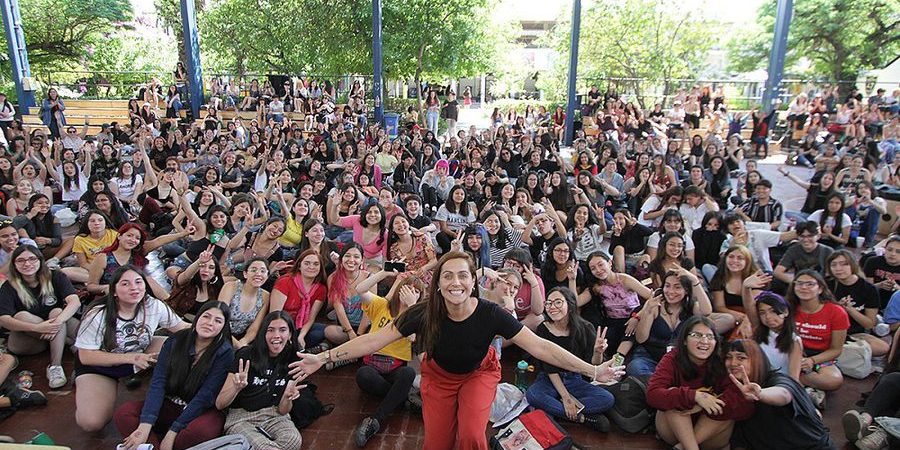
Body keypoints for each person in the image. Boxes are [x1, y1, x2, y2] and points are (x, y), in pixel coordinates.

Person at [288, 252, 625, 450]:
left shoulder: (491, 314)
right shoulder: (422, 312)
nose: (455, 283)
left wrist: (592, 370)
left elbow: (539, 345)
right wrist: (324, 357)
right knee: (436, 443)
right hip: (439, 378)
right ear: (438, 283)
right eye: (447, 276)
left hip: (479, 374)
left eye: (463, 276)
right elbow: (373, 341)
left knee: (470, 436)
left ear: (473, 281)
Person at [74, 265, 189, 432]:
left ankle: (172, 397)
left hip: (141, 350)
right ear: (113, 290)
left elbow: (182, 328)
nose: (134, 288)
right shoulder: (98, 314)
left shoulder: (153, 305)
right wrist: (131, 358)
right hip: (100, 364)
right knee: (92, 423)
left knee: (180, 345)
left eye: (138, 282)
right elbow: (86, 356)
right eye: (125, 284)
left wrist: (213, 328)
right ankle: (84, 389)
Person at [115, 301, 234, 450]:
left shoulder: (225, 352)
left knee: (200, 433)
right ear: (197, 318)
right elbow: (158, 382)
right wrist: (145, 425)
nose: (210, 323)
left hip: (200, 410)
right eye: (206, 316)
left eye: (218, 321)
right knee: (124, 414)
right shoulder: (176, 340)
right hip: (172, 403)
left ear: (224, 327)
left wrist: (173, 431)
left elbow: (206, 396)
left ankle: (158, 442)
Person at [646, 316, 754, 450]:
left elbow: (743, 405)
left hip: (710, 435)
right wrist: (695, 397)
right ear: (685, 340)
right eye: (696, 335)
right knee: (674, 397)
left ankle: (684, 447)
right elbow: (653, 394)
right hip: (675, 430)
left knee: (727, 405)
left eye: (710, 337)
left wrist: (703, 405)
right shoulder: (673, 358)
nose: (704, 341)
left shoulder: (723, 360)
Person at [351, 271, 425, 446]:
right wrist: (384, 273)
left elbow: (413, 338)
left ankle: (376, 420)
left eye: (416, 292)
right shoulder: (382, 305)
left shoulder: (419, 317)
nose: (409, 293)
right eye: (407, 288)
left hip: (397, 367)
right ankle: (401, 397)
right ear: (399, 288)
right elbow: (360, 289)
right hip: (373, 364)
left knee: (407, 374)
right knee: (363, 374)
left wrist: (410, 308)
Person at [525, 287, 615, 431]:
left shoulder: (585, 327)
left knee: (607, 399)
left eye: (558, 302)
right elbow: (549, 368)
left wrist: (598, 352)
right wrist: (566, 398)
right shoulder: (543, 328)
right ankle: (582, 417)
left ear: (570, 305)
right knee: (533, 395)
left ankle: (557, 410)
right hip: (549, 378)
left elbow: (593, 365)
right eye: (548, 303)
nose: (552, 307)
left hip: (574, 379)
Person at [214, 311, 305, 449]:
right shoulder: (246, 355)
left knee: (293, 441)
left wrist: (287, 398)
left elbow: (283, 410)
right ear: (263, 334)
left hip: (274, 415)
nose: (276, 335)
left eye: (282, 330)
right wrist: (236, 387)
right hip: (241, 417)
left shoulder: (293, 360)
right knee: (264, 448)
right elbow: (220, 404)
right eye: (270, 330)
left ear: (290, 334)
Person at [726, 339, 836, 450]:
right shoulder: (732, 388)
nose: (733, 363)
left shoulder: (778, 379)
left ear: (757, 360)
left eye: (741, 358)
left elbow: (784, 394)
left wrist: (760, 394)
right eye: (729, 357)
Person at [0, 245, 80, 389]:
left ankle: (55, 367)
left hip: (55, 328)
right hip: (28, 340)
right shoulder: (9, 286)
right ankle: (67, 341)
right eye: (21, 260)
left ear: (40, 260)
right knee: (22, 315)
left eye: (32, 259)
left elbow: (74, 301)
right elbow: (4, 319)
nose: (27, 264)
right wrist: (37, 327)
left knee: (57, 312)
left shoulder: (55, 276)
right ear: (14, 264)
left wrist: (58, 322)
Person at [628, 270, 712, 376]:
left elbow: (707, 311)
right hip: (649, 358)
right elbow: (641, 338)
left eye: (677, 287)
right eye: (667, 286)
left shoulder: (691, 307)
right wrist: (647, 311)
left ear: (686, 290)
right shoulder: (655, 305)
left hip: (678, 359)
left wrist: (694, 280)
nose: (671, 291)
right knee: (635, 367)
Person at [788, 269, 848, 408]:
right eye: (799, 283)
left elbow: (836, 349)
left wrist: (811, 361)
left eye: (810, 284)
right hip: (791, 352)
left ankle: (799, 383)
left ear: (820, 288)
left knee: (834, 380)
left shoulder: (836, 311)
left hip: (820, 356)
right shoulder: (788, 307)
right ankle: (807, 390)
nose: (804, 287)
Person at [826, 250, 889, 358]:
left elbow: (869, 324)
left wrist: (850, 310)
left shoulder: (869, 289)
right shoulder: (825, 284)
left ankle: (834, 352)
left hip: (853, 334)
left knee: (882, 347)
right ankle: (843, 353)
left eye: (844, 264)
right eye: (834, 265)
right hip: (827, 330)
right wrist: (837, 308)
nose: (838, 268)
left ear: (853, 265)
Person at [270, 249, 328, 350]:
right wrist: (287, 334)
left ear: (320, 268)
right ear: (299, 266)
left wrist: (301, 336)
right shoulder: (285, 281)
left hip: (300, 327)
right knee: (285, 343)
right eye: (307, 263)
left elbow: (311, 318)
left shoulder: (321, 289)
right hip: (279, 327)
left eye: (316, 264)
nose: (311, 267)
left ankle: (302, 348)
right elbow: (274, 315)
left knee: (323, 331)